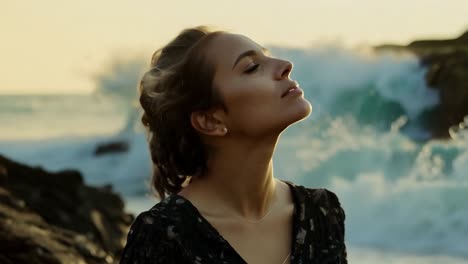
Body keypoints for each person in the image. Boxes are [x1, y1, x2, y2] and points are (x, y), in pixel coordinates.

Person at [120, 26, 347, 264]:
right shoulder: (163, 237)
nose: (285, 65)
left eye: (266, 55)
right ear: (211, 120)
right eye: (252, 67)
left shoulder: (322, 213)